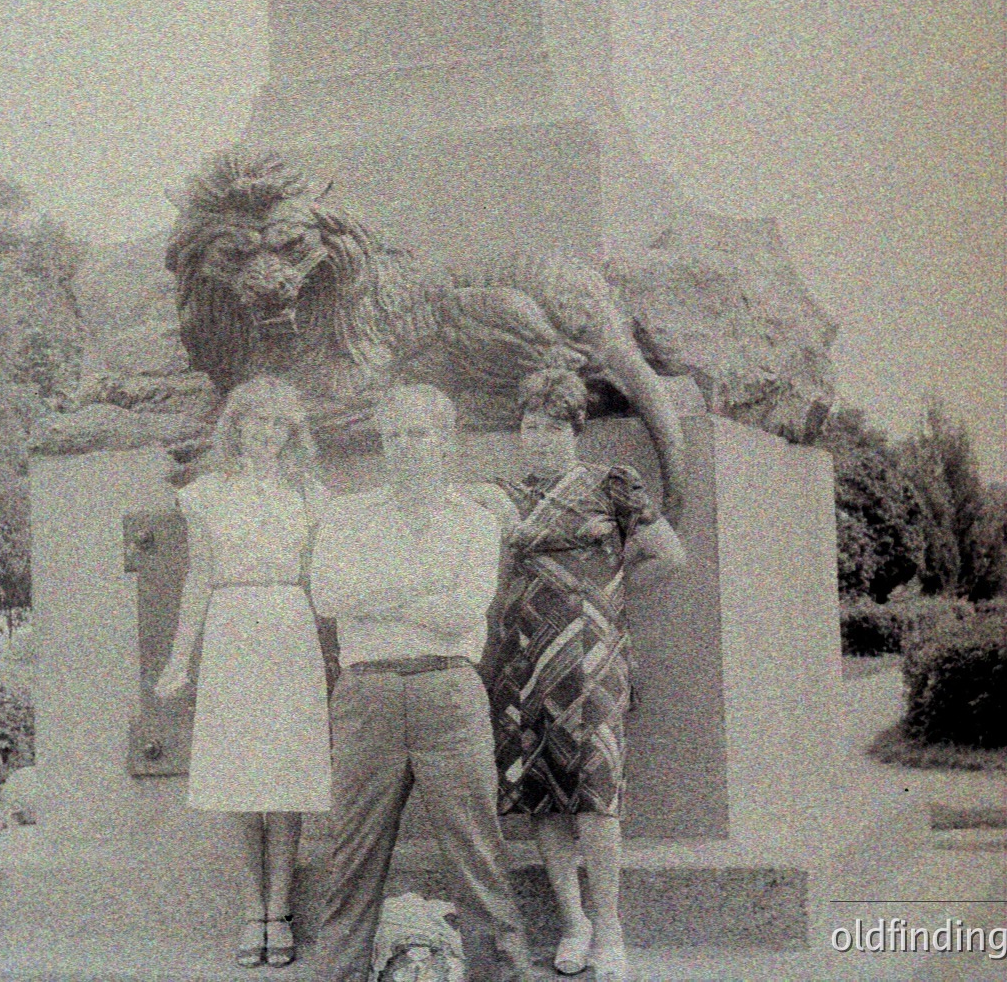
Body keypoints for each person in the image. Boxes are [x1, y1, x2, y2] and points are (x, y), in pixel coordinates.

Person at [306, 383, 533, 982]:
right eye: (396, 434)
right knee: (352, 853)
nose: (408, 446)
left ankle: (504, 973)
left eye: (421, 433)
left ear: (445, 441)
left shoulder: (474, 519)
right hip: (367, 694)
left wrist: (378, 594)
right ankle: (337, 974)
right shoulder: (348, 515)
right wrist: (423, 585)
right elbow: (329, 596)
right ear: (383, 442)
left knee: (477, 851)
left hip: (448, 691)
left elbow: (464, 610)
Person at [482, 368, 687, 979]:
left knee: (597, 796)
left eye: (553, 427)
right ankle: (574, 922)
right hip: (523, 660)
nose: (541, 438)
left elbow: (668, 557)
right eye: (531, 427)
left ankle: (611, 932)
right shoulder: (505, 495)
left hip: (595, 660)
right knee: (544, 796)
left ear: (576, 430)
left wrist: (608, 604)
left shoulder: (612, 484)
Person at [154, 375, 332, 969]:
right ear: (237, 425)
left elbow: (325, 577)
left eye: (282, 424)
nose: (270, 434)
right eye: (260, 421)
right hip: (232, 629)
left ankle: (279, 912)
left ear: (293, 432)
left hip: (288, 626)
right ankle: (249, 910)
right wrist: (180, 660)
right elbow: (197, 578)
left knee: (284, 781)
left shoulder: (309, 494)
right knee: (238, 780)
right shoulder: (205, 494)